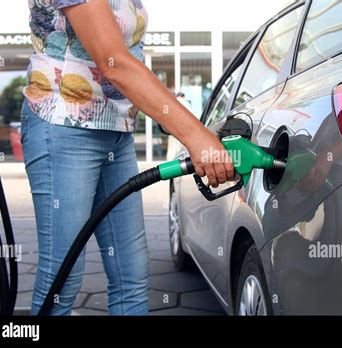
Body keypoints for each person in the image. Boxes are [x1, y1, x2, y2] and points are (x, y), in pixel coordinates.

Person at [21, 0, 233, 315]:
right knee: (62, 280)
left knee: (130, 276)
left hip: (115, 129)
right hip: (64, 124)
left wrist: (172, 115)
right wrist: (194, 135)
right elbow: (113, 62)